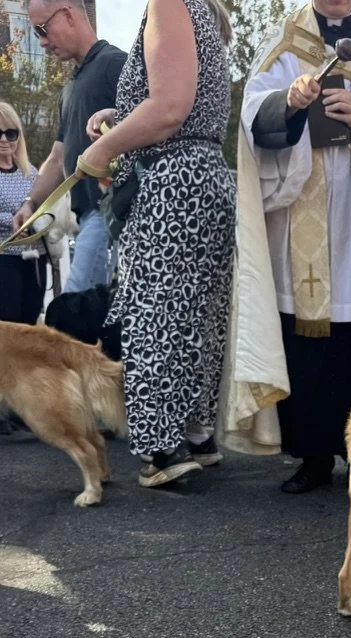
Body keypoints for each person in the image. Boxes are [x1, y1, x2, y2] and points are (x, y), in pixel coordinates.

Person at [220, 0, 351, 494]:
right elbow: (252, 114)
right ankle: (313, 456)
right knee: (304, 335)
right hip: (298, 197)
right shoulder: (284, 38)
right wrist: (289, 103)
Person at [81, 0, 236, 487]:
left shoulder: (167, 3)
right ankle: (196, 433)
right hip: (205, 176)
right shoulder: (200, 9)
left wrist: (103, 148)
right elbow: (180, 99)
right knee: (198, 313)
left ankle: (160, 447)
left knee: (155, 312)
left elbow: (169, 108)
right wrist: (122, 114)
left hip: (169, 182)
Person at [13, 0, 126, 294]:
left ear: (67, 14)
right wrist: (31, 204)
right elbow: (57, 157)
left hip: (112, 215)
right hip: (88, 219)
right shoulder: (70, 88)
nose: (42, 42)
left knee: (73, 310)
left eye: (42, 29)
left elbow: (154, 123)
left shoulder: (115, 65)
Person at [0, 102, 47, 325]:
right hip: (4, 258)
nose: (4, 139)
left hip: (34, 258)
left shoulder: (32, 173)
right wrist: (12, 220)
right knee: (8, 323)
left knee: (30, 321)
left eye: (10, 133)